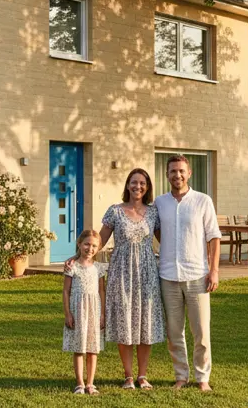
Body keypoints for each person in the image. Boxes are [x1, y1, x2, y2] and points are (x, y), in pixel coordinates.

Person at [67, 168, 166, 390]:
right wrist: (77, 256)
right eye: (133, 182)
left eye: (142, 183)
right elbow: (97, 241)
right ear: (127, 185)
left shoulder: (153, 213)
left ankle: (142, 375)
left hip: (147, 273)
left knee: (145, 323)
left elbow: (166, 241)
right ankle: (128, 376)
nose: (137, 186)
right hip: (121, 273)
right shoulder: (115, 211)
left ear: (147, 187)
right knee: (125, 321)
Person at [154, 155, 222, 392]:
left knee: (201, 332)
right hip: (168, 277)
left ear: (189, 173)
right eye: (172, 171)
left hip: (197, 276)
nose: (177, 175)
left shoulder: (203, 201)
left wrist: (214, 271)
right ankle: (181, 375)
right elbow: (159, 233)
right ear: (167, 175)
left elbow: (213, 237)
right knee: (174, 333)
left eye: (181, 171)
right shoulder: (159, 203)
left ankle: (202, 377)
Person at [62, 229, 107, 395]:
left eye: (94, 245)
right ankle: (80, 383)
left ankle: (90, 383)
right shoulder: (72, 267)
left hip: (94, 311)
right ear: (79, 244)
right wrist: (68, 313)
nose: (90, 248)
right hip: (78, 310)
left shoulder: (99, 268)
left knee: (92, 348)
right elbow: (66, 291)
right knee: (79, 347)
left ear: (99, 248)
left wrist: (103, 314)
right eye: (87, 244)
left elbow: (102, 291)